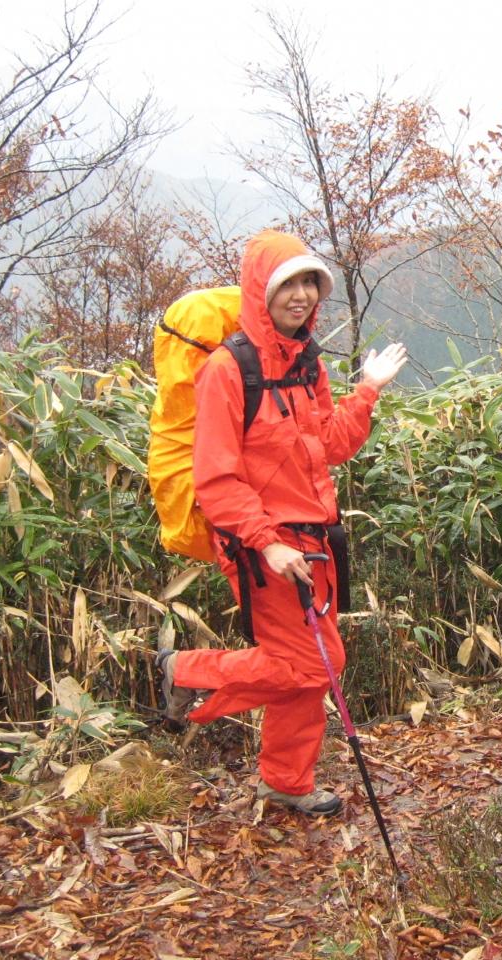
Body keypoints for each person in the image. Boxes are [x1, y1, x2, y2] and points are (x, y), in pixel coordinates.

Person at [157, 230, 407, 816]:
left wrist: (367, 392)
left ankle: (287, 781)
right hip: (261, 545)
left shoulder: (306, 365)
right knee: (311, 663)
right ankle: (186, 670)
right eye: (287, 284)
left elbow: (330, 445)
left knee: (318, 666)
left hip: (315, 541)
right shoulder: (227, 370)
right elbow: (216, 477)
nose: (301, 295)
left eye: (310, 283)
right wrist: (266, 544)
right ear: (259, 291)